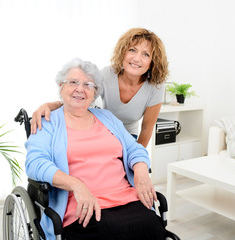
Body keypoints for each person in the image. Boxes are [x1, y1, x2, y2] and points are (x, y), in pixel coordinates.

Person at [25, 58, 165, 240]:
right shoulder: (47, 122)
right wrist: (76, 185)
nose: (80, 89)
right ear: (61, 87)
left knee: (151, 226)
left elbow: (134, 149)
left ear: (94, 93)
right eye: (73, 82)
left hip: (126, 198)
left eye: (88, 85)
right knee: (108, 231)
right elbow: (35, 163)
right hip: (82, 205)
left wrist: (140, 170)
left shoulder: (107, 117)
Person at [31, 28, 169, 147]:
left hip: (128, 135)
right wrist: (51, 105)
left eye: (146, 54)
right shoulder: (106, 75)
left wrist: (136, 160)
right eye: (132, 50)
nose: (137, 58)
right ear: (123, 53)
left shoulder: (155, 87)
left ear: (153, 62)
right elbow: (80, 98)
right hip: (101, 130)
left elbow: (146, 129)